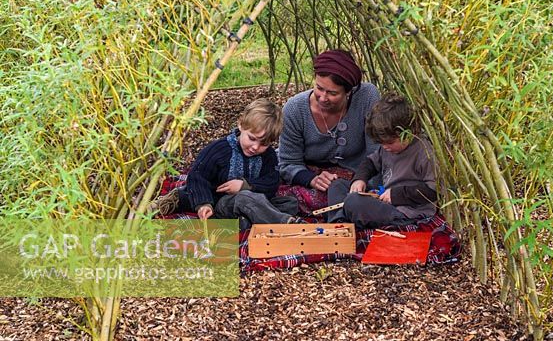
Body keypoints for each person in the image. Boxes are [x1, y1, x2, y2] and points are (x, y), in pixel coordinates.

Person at [151, 99, 301, 227]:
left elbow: (272, 183)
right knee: (245, 198)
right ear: (241, 125)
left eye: (264, 144)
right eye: (252, 138)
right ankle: (286, 225)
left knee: (289, 203)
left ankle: (243, 222)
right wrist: (204, 204)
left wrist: (245, 185)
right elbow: (197, 177)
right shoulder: (218, 150)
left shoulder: (268, 156)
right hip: (219, 202)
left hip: (250, 201)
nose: (255, 147)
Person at [278, 49, 380, 214]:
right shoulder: (295, 109)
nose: (323, 98)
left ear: (349, 91)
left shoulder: (367, 97)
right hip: (310, 174)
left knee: (352, 197)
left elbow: (377, 153)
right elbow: (288, 163)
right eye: (319, 88)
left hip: (356, 175)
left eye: (332, 93)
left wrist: (367, 185)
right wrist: (312, 179)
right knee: (277, 192)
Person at [327, 93, 438, 228]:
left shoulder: (423, 151)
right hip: (383, 197)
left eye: (389, 143)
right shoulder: (387, 148)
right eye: (382, 143)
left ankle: (347, 216)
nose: (385, 147)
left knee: (355, 202)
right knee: (337, 185)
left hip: (406, 211)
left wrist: (396, 195)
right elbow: (370, 162)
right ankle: (338, 224)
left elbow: (433, 190)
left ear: (408, 132)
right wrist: (359, 179)